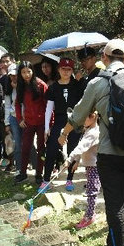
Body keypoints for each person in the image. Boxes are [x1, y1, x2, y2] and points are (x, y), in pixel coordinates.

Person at [58, 39, 124, 246]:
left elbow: (78, 115)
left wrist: (64, 133)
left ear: (104, 58)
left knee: (114, 203)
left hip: (110, 150)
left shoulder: (98, 82)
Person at [40, 57, 84, 192]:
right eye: (63, 69)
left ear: (72, 71)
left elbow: (84, 102)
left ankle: (69, 179)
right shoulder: (53, 87)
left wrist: (81, 79)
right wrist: (46, 127)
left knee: (72, 151)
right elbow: (49, 108)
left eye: (69, 69)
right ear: (58, 70)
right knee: (51, 149)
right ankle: (46, 180)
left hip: (74, 120)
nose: (66, 72)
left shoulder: (77, 85)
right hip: (59, 121)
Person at [14, 61, 48, 184]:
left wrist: (49, 124)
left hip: (41, 122)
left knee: (41, 149)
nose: (26, 74)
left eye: (28, 71)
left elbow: (49, 106)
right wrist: (19, 119)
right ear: (20, 73)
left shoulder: (41, 85)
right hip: (28, 122)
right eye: (23, 72)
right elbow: (17, 104)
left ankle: (39, 174)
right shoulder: (21, 85)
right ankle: (23, 173)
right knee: (25, 147)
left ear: (33, 71)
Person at [66, 112, 100, 229]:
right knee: (91, 189)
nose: (82, 122)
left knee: (92, 191)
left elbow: (81, 147)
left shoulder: (93, 133)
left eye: (84, 119)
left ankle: (90, 216)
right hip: (90, 165)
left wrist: (70, 159)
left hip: (94, 166)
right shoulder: (88, 129)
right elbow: (84, 148)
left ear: (93, 117)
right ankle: (90, 214)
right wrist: (77, 161)